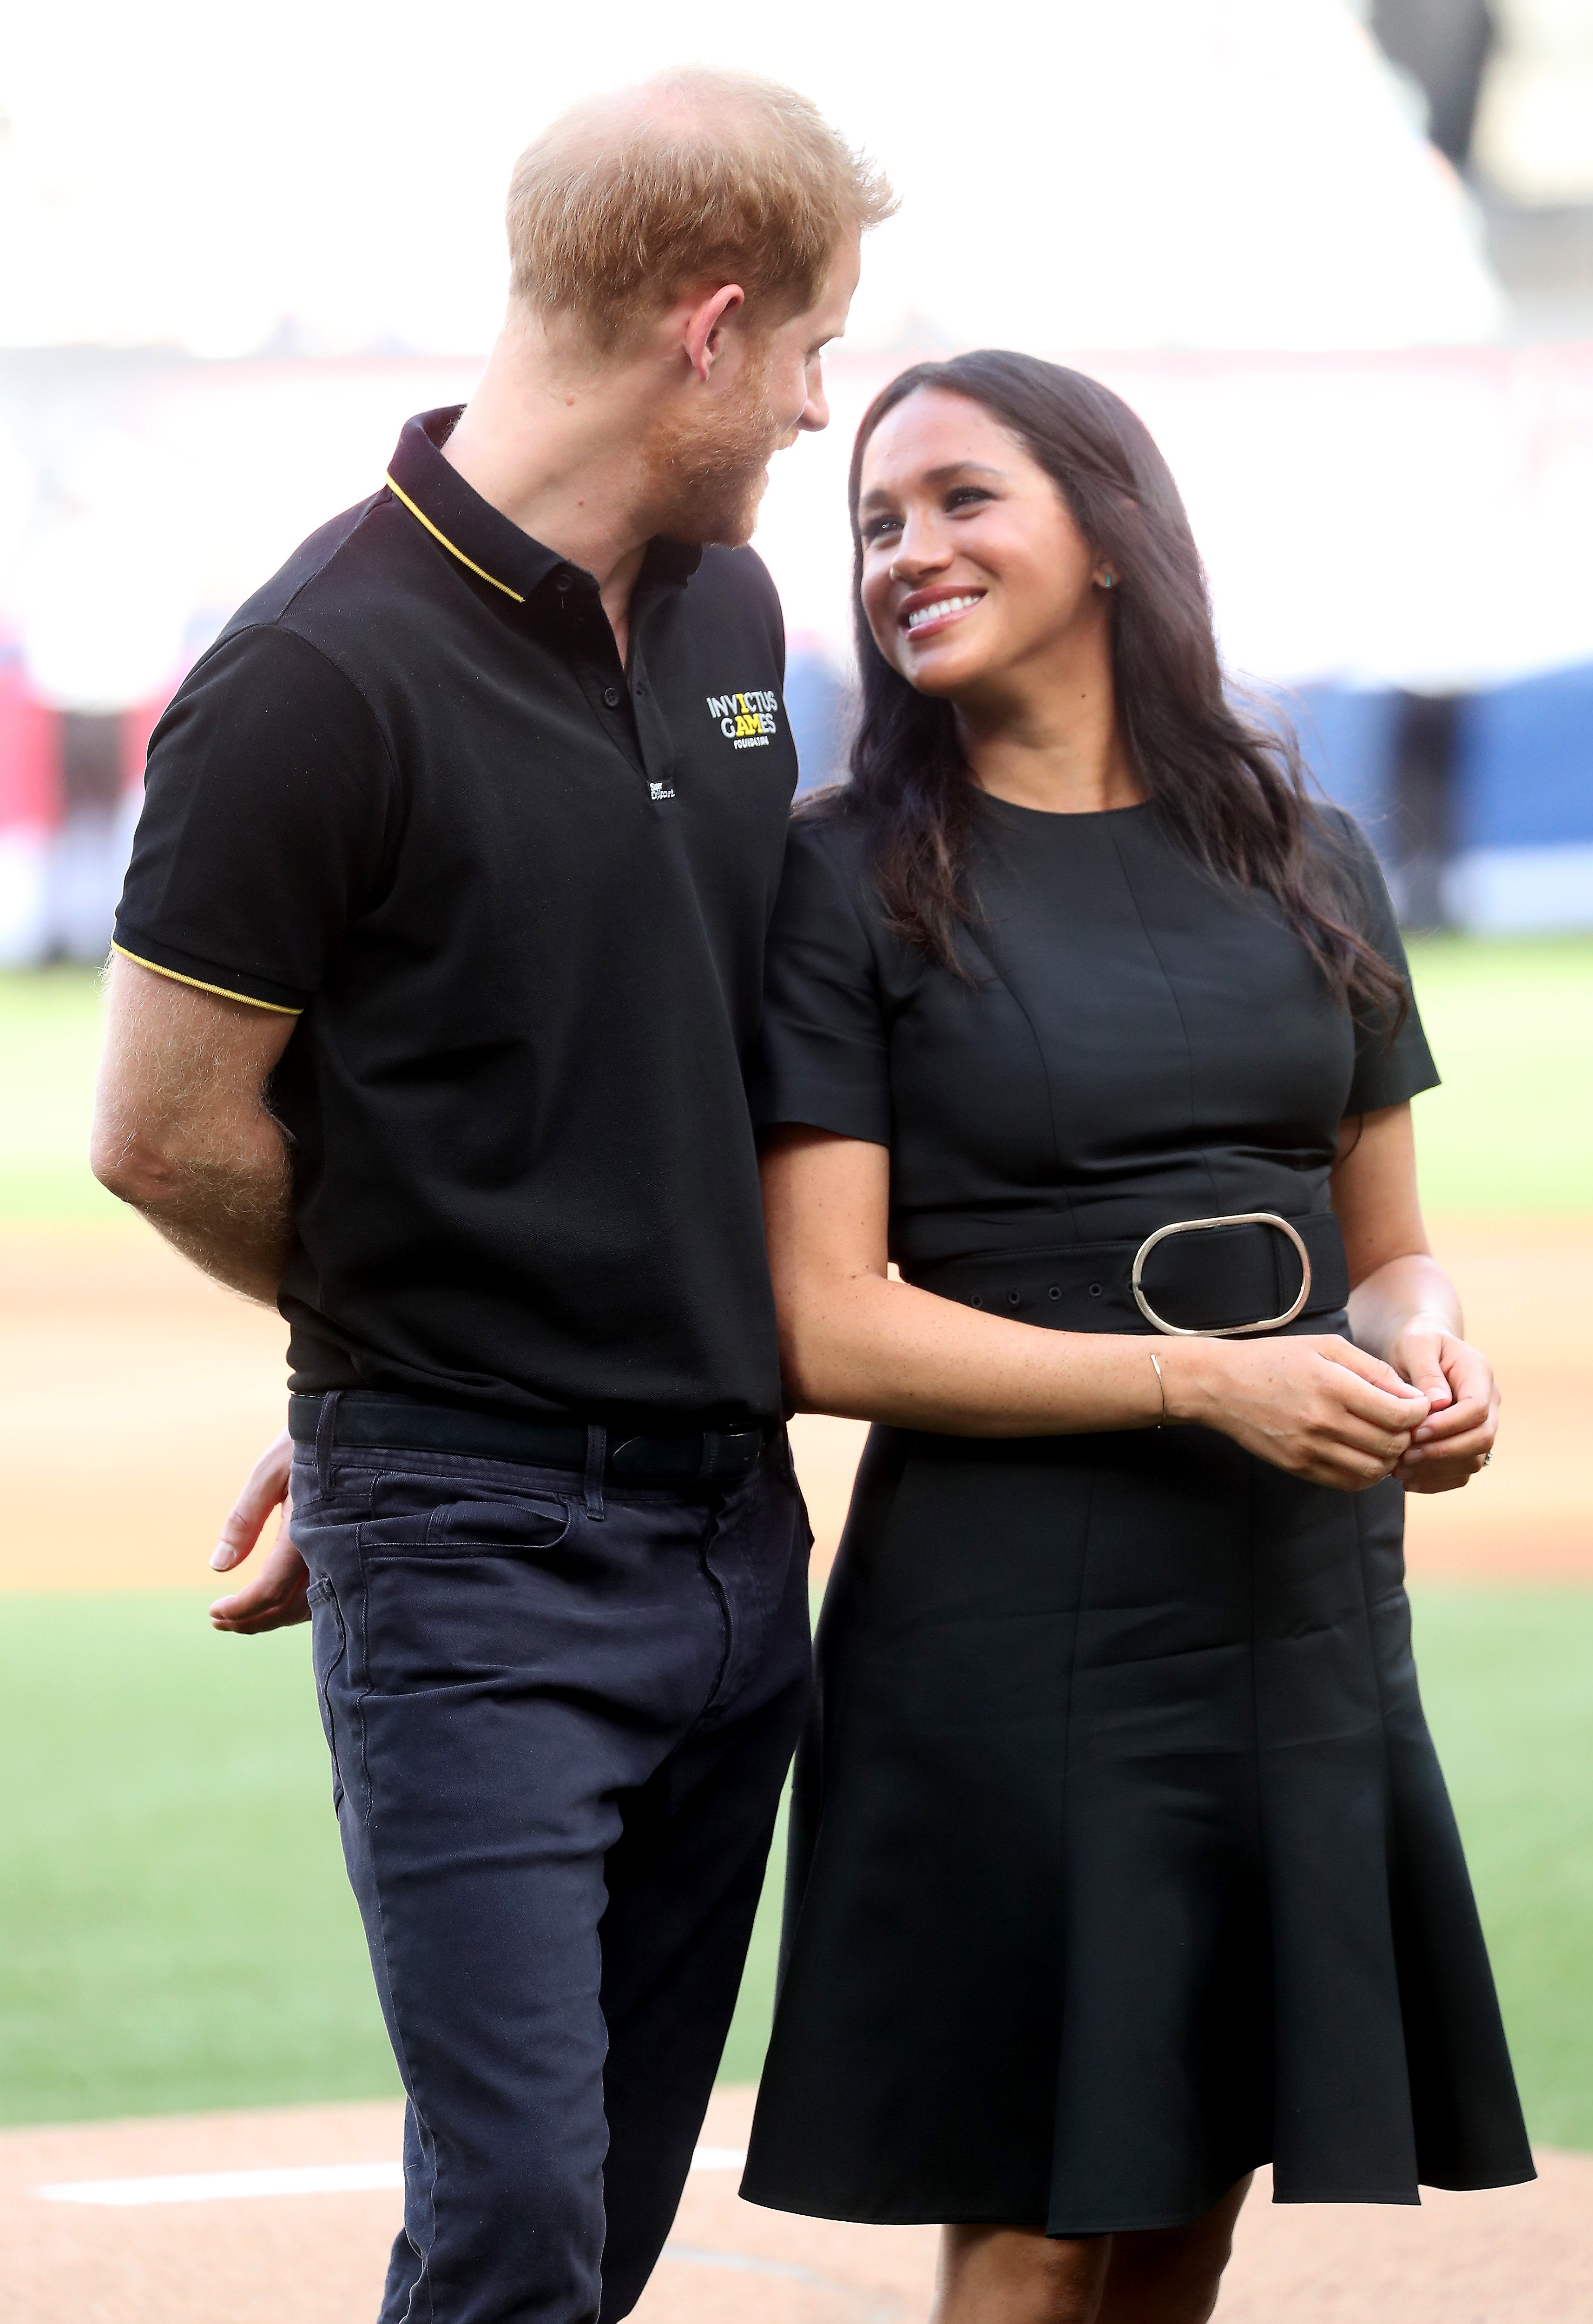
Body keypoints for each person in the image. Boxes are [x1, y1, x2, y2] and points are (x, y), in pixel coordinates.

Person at [89, 71, 891, 2324]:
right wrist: (396, 1358)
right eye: (817, 346)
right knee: (520, 2209)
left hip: (742, 1533)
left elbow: (682, 1053)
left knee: (603, 2213)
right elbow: (162, 1128)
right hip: (473, 1550)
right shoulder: (305, 676)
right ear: (706, 329)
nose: (826, 407)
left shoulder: (734, 617)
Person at [738, 352, 1531, 2324]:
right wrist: (1199, 1376)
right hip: (1011, 1616)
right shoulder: (838, 876)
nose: (904, 551)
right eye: (873, 521)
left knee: (1195, 2170)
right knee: (1031, 2205)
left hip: (1296, 1598)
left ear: (1105, 529)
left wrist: (1427, 1358)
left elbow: (1388, 1250)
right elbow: (820, 1322)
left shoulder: (1305, 849)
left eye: (957, 500)